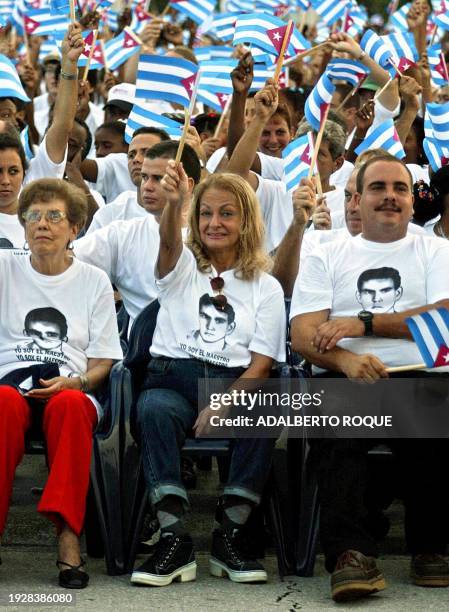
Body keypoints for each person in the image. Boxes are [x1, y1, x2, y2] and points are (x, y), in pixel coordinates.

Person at [290, 154, 449, 602]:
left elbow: (444, 318)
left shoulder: (435, 250)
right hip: (346, 378)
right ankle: (351, 554)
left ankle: (431, 548)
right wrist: (344, 362)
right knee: (334, 420)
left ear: (412, 203)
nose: (390, 197)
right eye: (378, 188)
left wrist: (363, 324)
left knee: (434, 413)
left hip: (421, 373)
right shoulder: (324, 250)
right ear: (356, 199)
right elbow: (303, 334)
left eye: (400, 188)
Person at [130, 170, 286, 587]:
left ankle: (230, 535)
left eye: (227, 214)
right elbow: (167, 242)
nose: (214, 223)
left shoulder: (265, 287)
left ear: (247, 222)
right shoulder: (182, 266)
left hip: (234, 382)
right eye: (206, 213)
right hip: (172, 378)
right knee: (153, 409)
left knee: (264, 410)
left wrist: (224, 403)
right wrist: (175, 203)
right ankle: (173, 538)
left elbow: (261, 366)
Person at [0, 178, 122, 588]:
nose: (42, 225)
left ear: (75, 228)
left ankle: (69, 537)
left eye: (55, 216)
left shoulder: (93, 281)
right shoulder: (3, 269)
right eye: (33, 216)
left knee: (70, 408)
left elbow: (105, 359)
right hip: (8, 386)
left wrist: (78, 383)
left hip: (72, 386)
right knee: (1, 403)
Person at [74, 141, 201, 329]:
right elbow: (65, 262)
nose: (147, 186)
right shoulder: (121, 234)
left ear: (187, 184)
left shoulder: (215, 235)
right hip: (143, 355)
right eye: (144, 177)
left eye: (158, 179)